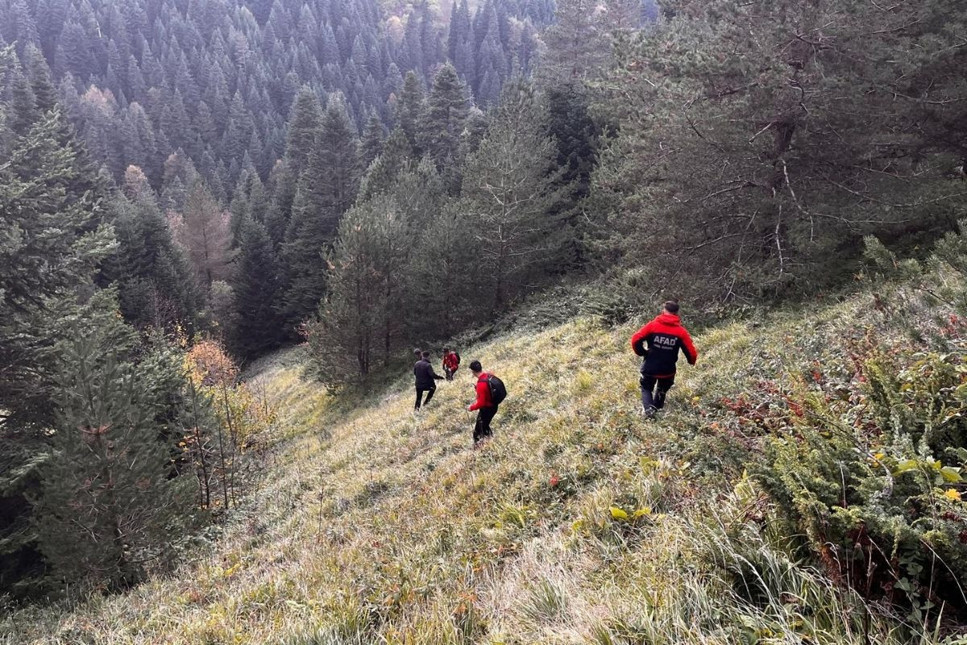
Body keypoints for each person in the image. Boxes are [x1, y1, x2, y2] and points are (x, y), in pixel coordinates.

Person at [630, 301, 698, 417]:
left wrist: (642, 352)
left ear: (664, 310)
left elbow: (635, 339)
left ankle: (649, 411)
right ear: (676, 313)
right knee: (662, 390)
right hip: (668, 369)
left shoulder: (652, 326)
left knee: (646, 388)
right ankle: (656, 412)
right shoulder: (681, 332)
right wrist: (691, 361)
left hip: (650, 367)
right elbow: (691, 353)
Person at [467, 360, 498, 444]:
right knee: (485, 426)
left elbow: (481, 403)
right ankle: (492, 441)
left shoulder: (481, 384)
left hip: (487, 409)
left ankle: (478, 448)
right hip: (494, 406)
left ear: (473, 371)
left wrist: (471, 407)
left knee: (477, 432)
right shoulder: (488, 375)